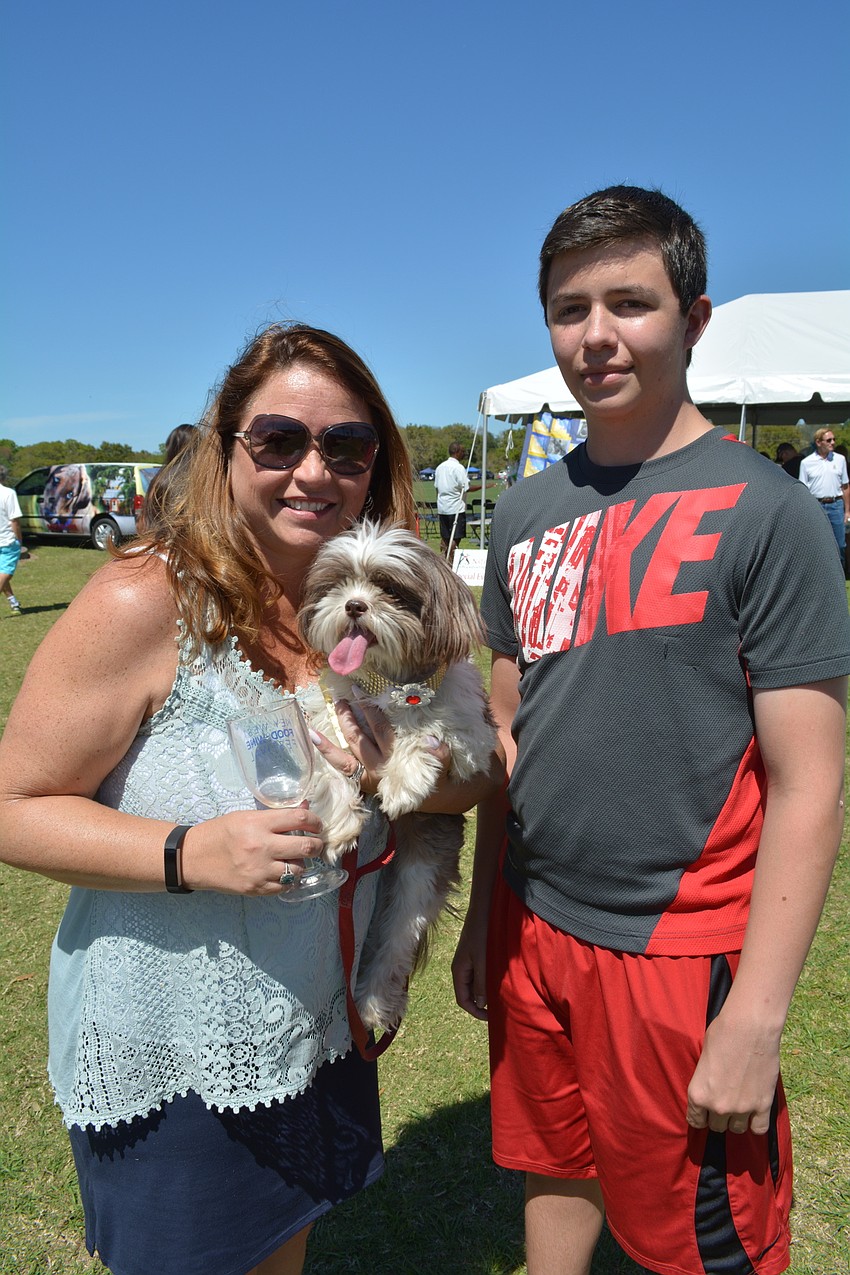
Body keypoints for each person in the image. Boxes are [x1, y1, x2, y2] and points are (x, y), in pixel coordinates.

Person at [0, 323, 499, 1275]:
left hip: (317, 1031)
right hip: (179, 1054)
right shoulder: (143, 600)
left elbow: (474, 775)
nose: (313, 469)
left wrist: (403, 761)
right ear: (226, 448)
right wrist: (190, 853)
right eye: (278, 440)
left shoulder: (346, 613)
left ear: (374, 466)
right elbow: (13, 804)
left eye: (345, 446)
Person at [452, 186, 850, 1275]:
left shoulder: (764, 511)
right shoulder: (527, 512)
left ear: (695, 318)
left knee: (700, 1246)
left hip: (678, 951)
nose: (595, 336)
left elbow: (809, 785)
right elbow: (506, 731)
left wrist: (755, 1017)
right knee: (556, 1166)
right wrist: (489, 916)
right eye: (568, 308)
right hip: (536, 930)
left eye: (630, 302)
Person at [798, 428, 850, 568]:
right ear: (818, 442)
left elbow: (845, 486)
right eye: (829, 440)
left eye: (834, 439)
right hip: (816, 505)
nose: (832, 443)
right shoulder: (807, 463)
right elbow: (803, 489)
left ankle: (840, 578)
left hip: (836, 505)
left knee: (839, 544)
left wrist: (847, 511)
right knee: (818, 543)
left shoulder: (840, 460)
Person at [138, 422, 199, 534]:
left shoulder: (160, 480)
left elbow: (144, 524)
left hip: (162, 544)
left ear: (171, 449)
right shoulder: (206, 482)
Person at [434, 440, 470, 557]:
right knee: (455, 538)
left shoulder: (440, 467)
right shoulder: (458, 468)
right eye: (463, 451)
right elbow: (466, 487)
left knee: (445, 538)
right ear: (457, 452)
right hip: (456, 509)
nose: (464, 454)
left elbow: (437, 488)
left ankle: (443, 561)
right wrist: (484, 486)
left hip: (443, 508)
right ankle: (450, 563)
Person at [0, 464, 24, 614]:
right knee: (5, 573)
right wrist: (19, 540)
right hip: (7, 540)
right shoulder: (8, 493)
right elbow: (14, 520)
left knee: (2, 573)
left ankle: (13, 602)